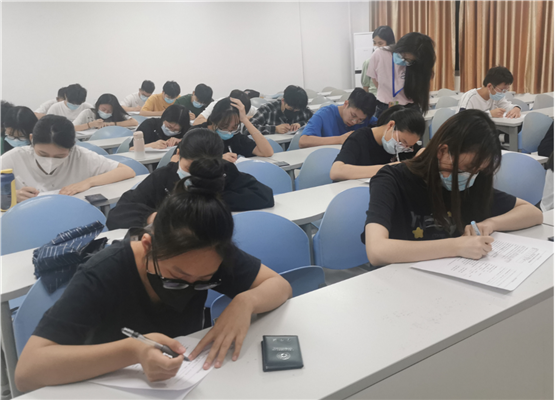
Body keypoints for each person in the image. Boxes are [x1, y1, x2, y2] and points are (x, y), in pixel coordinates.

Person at [15, 157, 292, 392]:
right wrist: (131, 351)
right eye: (176, 277)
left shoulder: (210, 250)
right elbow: (28, 372)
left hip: (187, 384)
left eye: (203, 282)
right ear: (147, 245)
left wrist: (245, 301)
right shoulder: (104, 271)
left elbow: (279, 285)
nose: (190, 285)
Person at [363, 110, 543, 267]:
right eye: (466, 169)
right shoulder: (391, 180)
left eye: (477, 171)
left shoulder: (471, 181)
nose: (470, 176)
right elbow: (377, 251)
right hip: (400, 281)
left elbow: (533, 213)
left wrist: (490, 224)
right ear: (442, 151)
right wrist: (456, 246)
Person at [107, 128, 275, 229]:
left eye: (205, 169)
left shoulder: (224, 171)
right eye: (190, 168)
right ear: (178, 154)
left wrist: (208, 202)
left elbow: (264, 195)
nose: (197, 175)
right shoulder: (162, 177)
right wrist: (159, 217)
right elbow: (118, 214)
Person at [0, 115, 135, 202]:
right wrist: (11, 195)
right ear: (31, 139)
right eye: (42, 154)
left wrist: (88, 182)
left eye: (59, 156)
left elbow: (126, 171)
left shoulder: (80, 156)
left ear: (72, 147)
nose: (50, 161)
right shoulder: (14, 157)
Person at [330, 105, 424, 181]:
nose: (403, 147)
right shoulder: (359, 138)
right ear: (391, 125)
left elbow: (423, 153)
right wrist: (387, 168)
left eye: (408, 146)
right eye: (402, 141)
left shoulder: (406, 145)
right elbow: (336, 171)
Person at [367, 32, 436, 118]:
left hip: (409, 108)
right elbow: (374, 78)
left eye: (408, 60)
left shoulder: (418, 65)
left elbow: (420, 91)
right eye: (402, 55)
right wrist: (387, 94)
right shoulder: (379, 54)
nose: (403, 60)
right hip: (384, 106)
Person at [192, 97, 273, 160]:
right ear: (214, 120)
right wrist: (217, 159)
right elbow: (187, 162)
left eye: (234, 127)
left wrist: (245, 120)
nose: (229, 131)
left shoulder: (235, 138)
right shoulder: (196, 134)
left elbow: (267, 152)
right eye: (224, 126)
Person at [299, 88, 376, 149]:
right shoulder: (324, 114)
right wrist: (340, 139)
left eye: (360, 120)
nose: (354, 122)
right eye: (353, 115)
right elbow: (303, 141)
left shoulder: (367, 119)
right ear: (346, 104)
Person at [248, 85, 313, 135]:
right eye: (291, 109)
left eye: (297, 110)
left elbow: (314, 122)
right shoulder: (267, 110)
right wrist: (275, 129)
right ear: (283, 101)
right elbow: (247, 129)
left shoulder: (303, 110)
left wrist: (301, 124)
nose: (294, 112)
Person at [73, 94, 138, 132]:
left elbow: (134, 122)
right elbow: (71, 128)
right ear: (98, 105)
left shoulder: (117, 113)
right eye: (103, 109)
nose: (106, 112)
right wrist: (91, 124)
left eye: (109, 110)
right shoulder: (87, 113)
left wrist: (112, 124)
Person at [193, 90, 258, 126]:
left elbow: (261, 115)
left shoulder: (246, 107)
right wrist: (222, 121)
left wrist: (244, 119)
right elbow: (197, 122)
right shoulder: (219, 104)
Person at [362, 26, 395, 95]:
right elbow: (365, 87)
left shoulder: (397, 61)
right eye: (374, 43)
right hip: (375, 98)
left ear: (389, 43)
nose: (376, 46)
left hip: (393, 98)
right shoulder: (368, 62)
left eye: (380, 43)